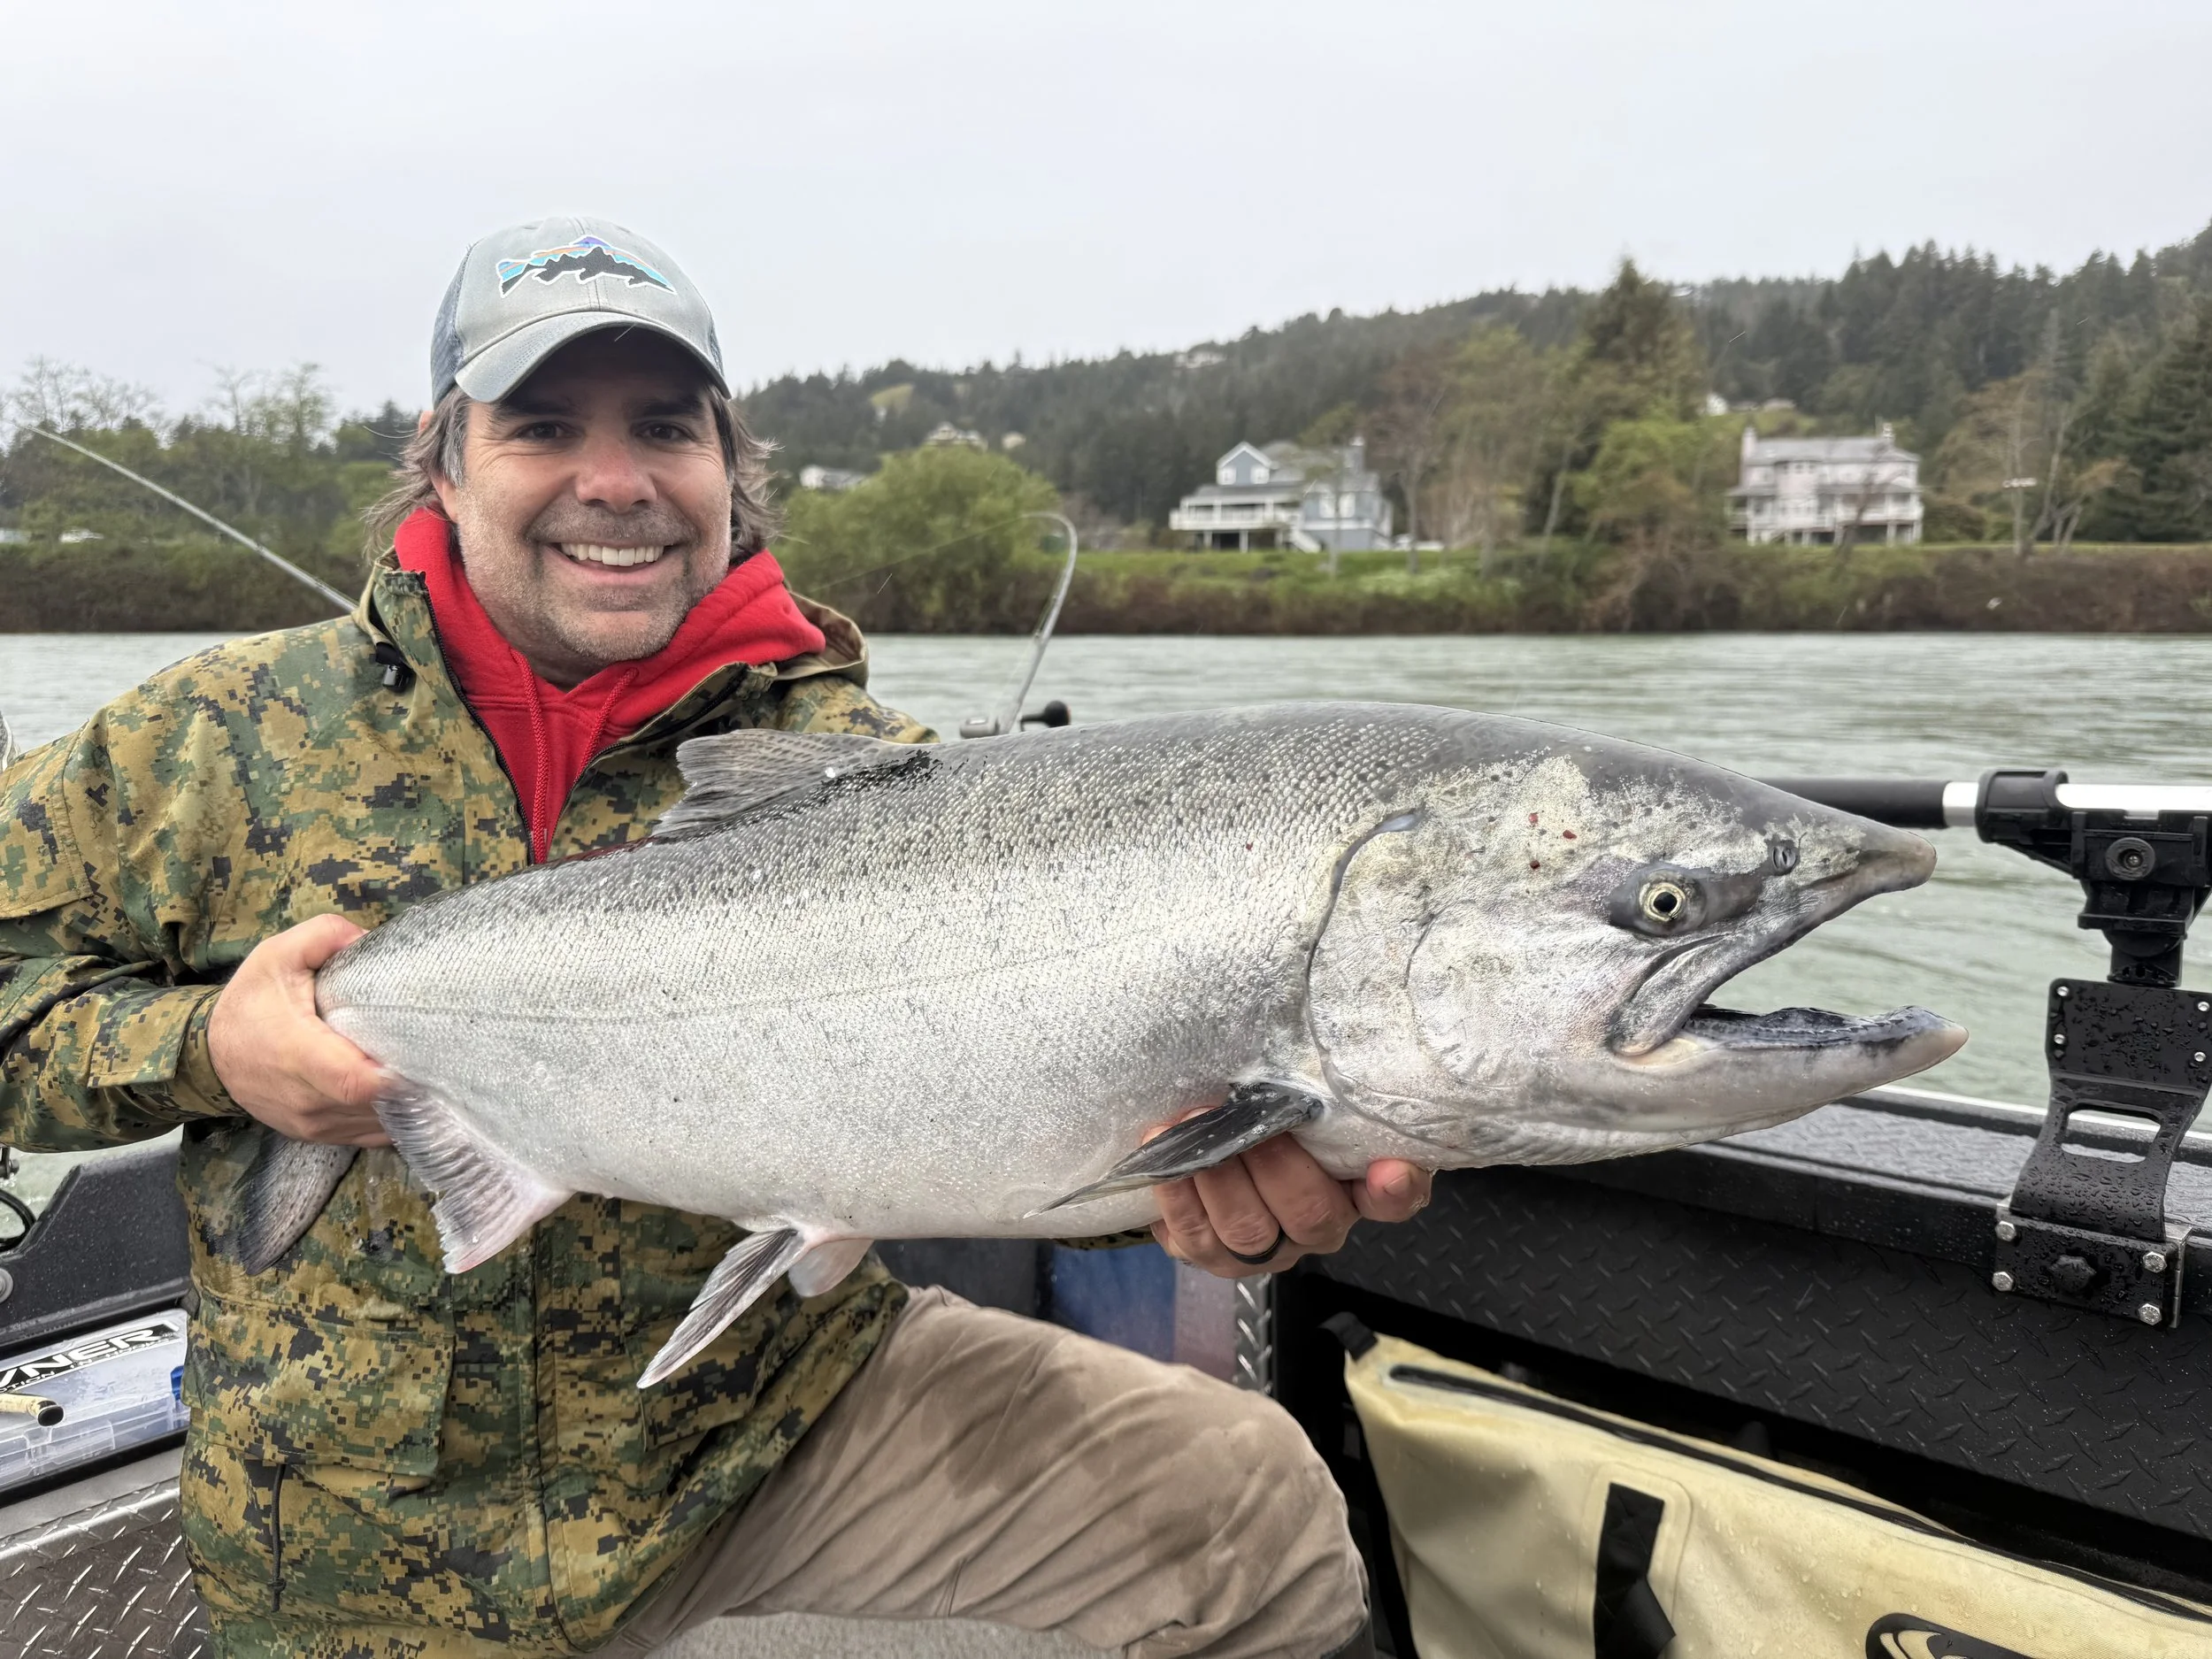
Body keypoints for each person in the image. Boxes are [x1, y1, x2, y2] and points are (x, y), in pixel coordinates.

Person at [0, 217, 1432, 1659]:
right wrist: (205, 1049)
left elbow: (1015, 1089)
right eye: (545, 424)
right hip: (356, 1536)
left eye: (666, 428)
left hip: (767, 1439)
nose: (615, 482)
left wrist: (1191, 1191)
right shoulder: (214, 740)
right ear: (444, 461)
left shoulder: (868, 776)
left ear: (730, 469)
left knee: (1256, 1511)